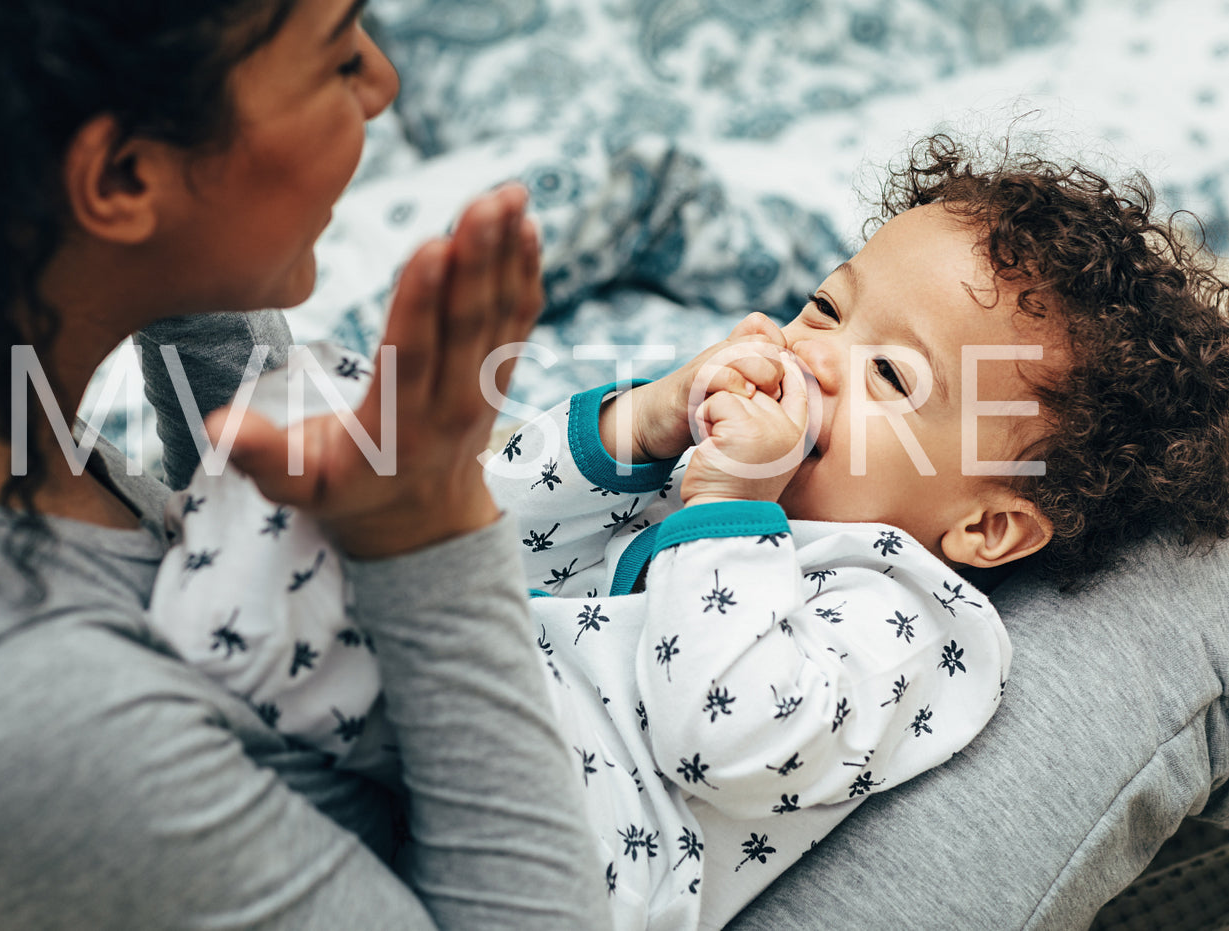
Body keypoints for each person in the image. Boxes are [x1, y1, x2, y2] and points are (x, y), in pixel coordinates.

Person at [0, 0, 615, 929]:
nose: (384, 82)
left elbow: (216, 574)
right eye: (337, 51)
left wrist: (194, 276)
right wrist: (429, 525)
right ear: (122, 179)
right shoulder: (19, 718)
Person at [147, 135, 1229, 929]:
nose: (817, 357)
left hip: (563, 858)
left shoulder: (910, 615)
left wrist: (724, 506)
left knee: (304, 496)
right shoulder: (700, 479)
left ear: (986, 525)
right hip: (433, 735)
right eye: (824, 305)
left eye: (889, 375)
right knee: (344, 443)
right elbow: (484, 524)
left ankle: (205, 593)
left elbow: (735, 733)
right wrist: (636, 424)